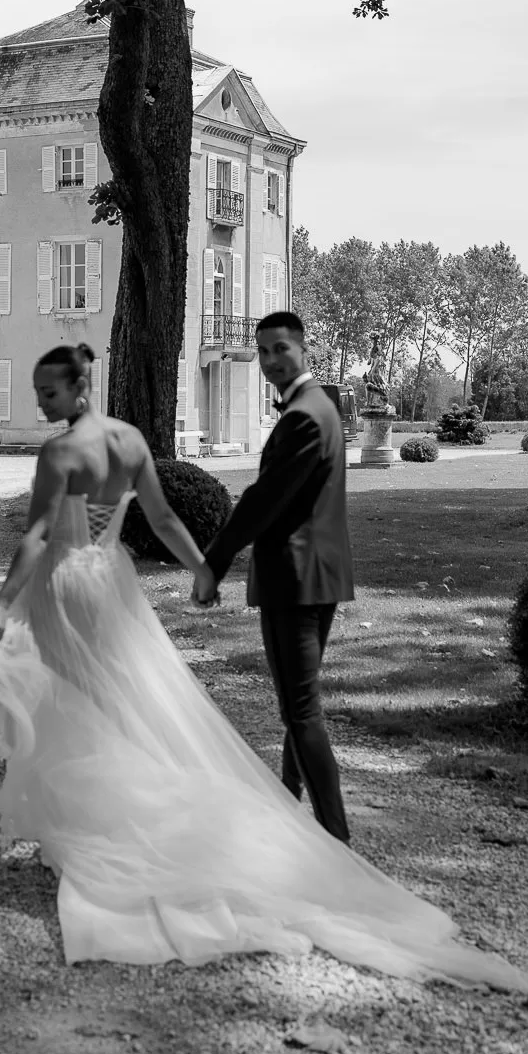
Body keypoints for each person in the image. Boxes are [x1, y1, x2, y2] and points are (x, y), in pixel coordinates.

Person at [0, 342, 528, 993]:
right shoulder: (132, 440)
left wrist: (1, 604)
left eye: (48, 392)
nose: (39, 402)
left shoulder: (57, 454)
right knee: (123, 706)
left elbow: (35, 537)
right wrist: (199, 566)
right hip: (112, 585)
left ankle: (106, 836)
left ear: (78, 389)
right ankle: (120, 824)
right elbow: (161, 517)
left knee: (77, 709)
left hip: (62, 587)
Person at [194, 310, 354, 844]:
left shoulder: (305, 416)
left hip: (295, 576)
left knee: (300, 711)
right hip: (318, 574)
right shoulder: (321, 408)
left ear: (305, 349)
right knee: (299, 705)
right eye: (262, 352)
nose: (269, 362)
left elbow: (263, 502)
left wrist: (214, 561)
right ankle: (290, 808)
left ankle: (336, 842)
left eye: (279, 349)